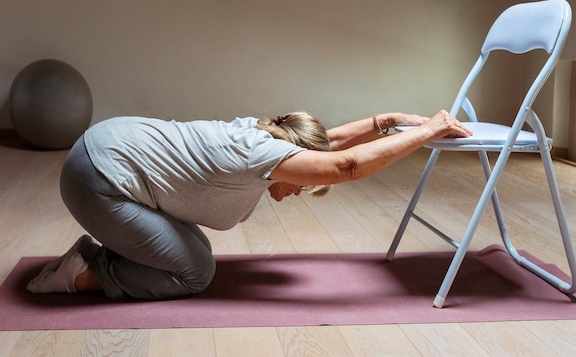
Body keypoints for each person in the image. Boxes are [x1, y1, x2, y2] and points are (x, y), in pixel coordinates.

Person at [27, 110, 471, 300]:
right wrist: (429, 132)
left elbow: (332, 144)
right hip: (96, 179)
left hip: (104, 148)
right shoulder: (259, 156)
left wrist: (388, 122)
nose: (297, 190)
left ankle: (98, 253)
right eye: (301, 181)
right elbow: (346, 165)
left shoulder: (266, 134)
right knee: (194, 272)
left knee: (193, 248)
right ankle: (78, 278)